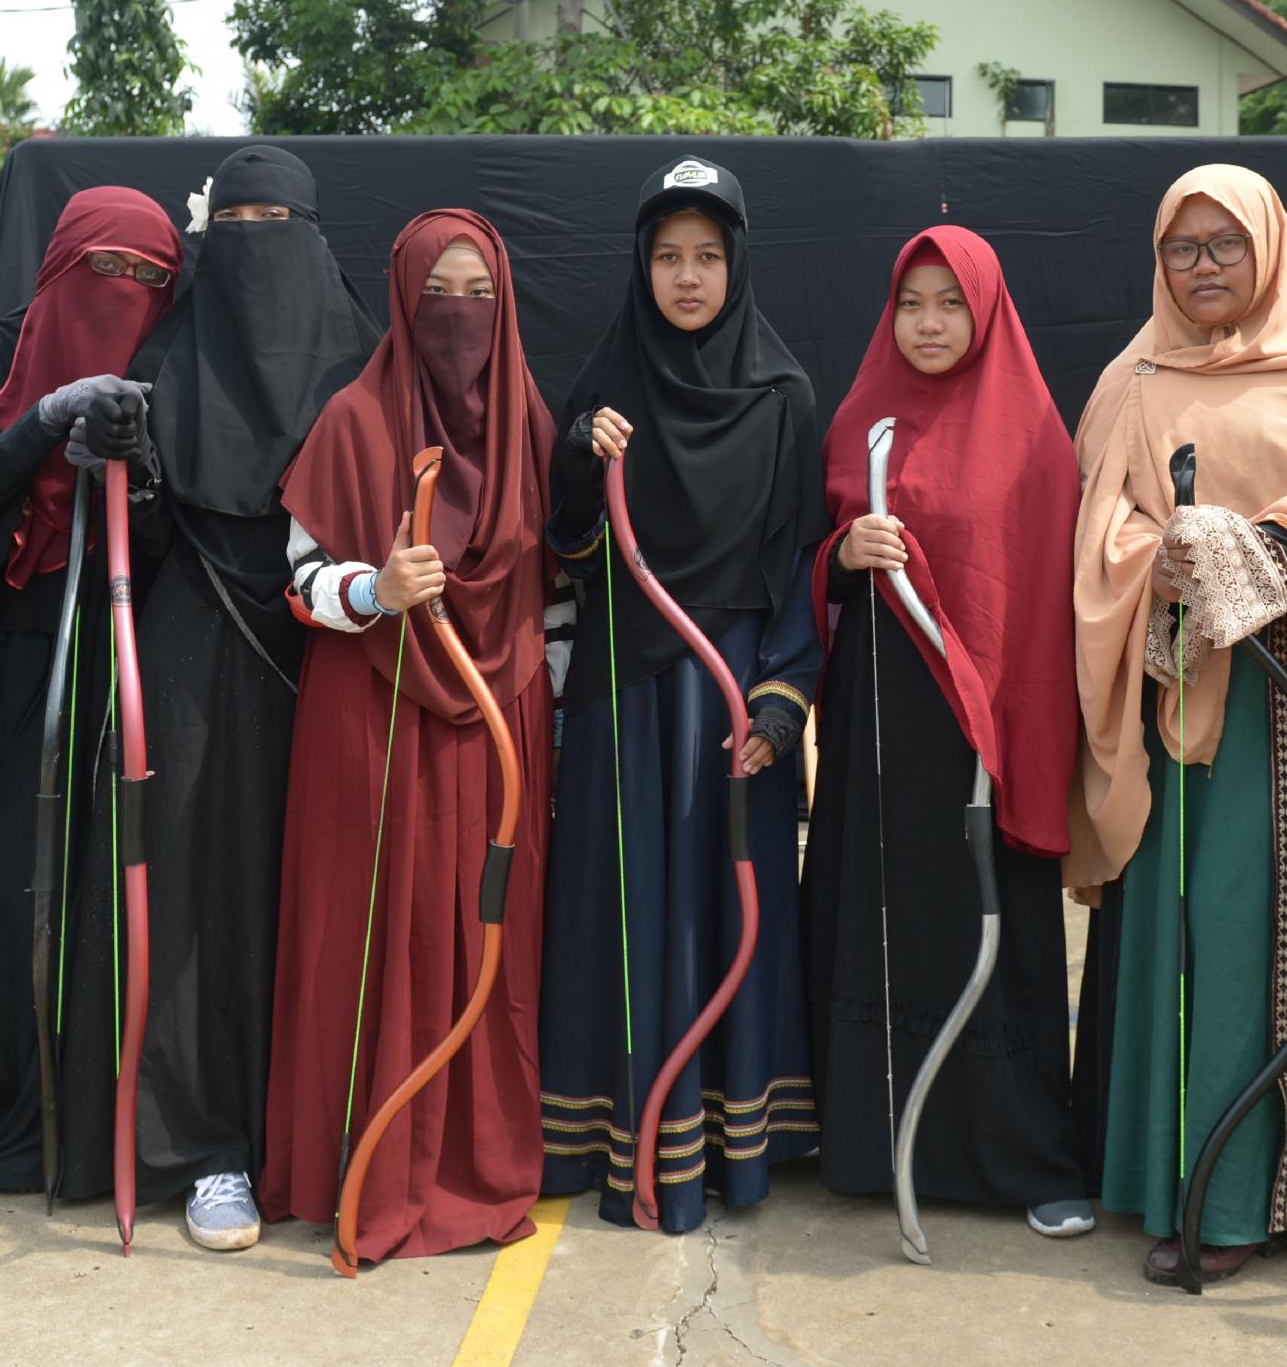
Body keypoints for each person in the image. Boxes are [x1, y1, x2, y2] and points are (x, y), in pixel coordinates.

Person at [1068, 163, 1287, 1285]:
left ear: (1268, 249)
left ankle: (1229, 1194)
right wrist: (1148, 555)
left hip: (1277, 704)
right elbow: (1094, 522)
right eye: (1181, 247)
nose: (1202, 266)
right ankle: (1148, 1174)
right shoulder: (1133, 374)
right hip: (1160, 682)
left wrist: (1265, 548)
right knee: (1162, 934)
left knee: (1242, 933)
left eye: (1223, 244)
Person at [53, 145, 379, 1251]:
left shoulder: (367, 372)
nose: (252, 245)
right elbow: (125, 551)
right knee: (197, 905)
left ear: (314, 235)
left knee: (326, 896)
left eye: (273, 221)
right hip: (196, 669)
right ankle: (208, 1148)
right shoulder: (166, 370)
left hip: (336, 669)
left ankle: (321, 1137)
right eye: (228, 223)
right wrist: (135, 471)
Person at [262, 210, 556, 1261]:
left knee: (483, 943)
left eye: (481, 294)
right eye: (442, 292)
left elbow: (548, 599)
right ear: (400, 297)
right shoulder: (354, 419)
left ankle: (473, 1162)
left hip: (498, 723)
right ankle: (365, 1164)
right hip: (371, 717)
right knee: (374, 935)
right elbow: (298, 582)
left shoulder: (531, 422)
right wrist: (376, 587)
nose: (461, 315)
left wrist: (533, 689)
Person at [540, 156, 822, 1233]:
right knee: (623, 901)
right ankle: (616, 1138)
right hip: (623, 688)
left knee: (718, 906)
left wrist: (783, 700)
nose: (687, 277)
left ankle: (727, 1147)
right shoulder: (606, 389)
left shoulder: (785, 396)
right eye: (667, 257)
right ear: (641, 266)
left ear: (737, 262)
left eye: (707, 256)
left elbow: (801, 562)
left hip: (728, 695)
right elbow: (567, 549)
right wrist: (577, 458)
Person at [804, 224, 1092, 1235]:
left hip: (984, 722)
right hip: (881, 717)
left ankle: (1020, 1155)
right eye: (911, 303)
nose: (928, 325)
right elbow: (812, 556)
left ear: (985, 310)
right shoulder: (857, 418)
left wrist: (1007, 718)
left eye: (950, 304)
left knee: (985, 919)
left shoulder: (1033, 433)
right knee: (884, 913)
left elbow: (1044, 596)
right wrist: (844, 550)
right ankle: (871, 1142)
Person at [0, 186, 180, 1192]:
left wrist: (140, 465)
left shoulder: (166, 360)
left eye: (152, 278)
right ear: (61, 267)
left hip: (113, 649)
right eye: (104, 271)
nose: (126, 295)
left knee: (90, 886)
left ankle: (81, 1106)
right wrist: (40, 422)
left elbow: (171, 542)